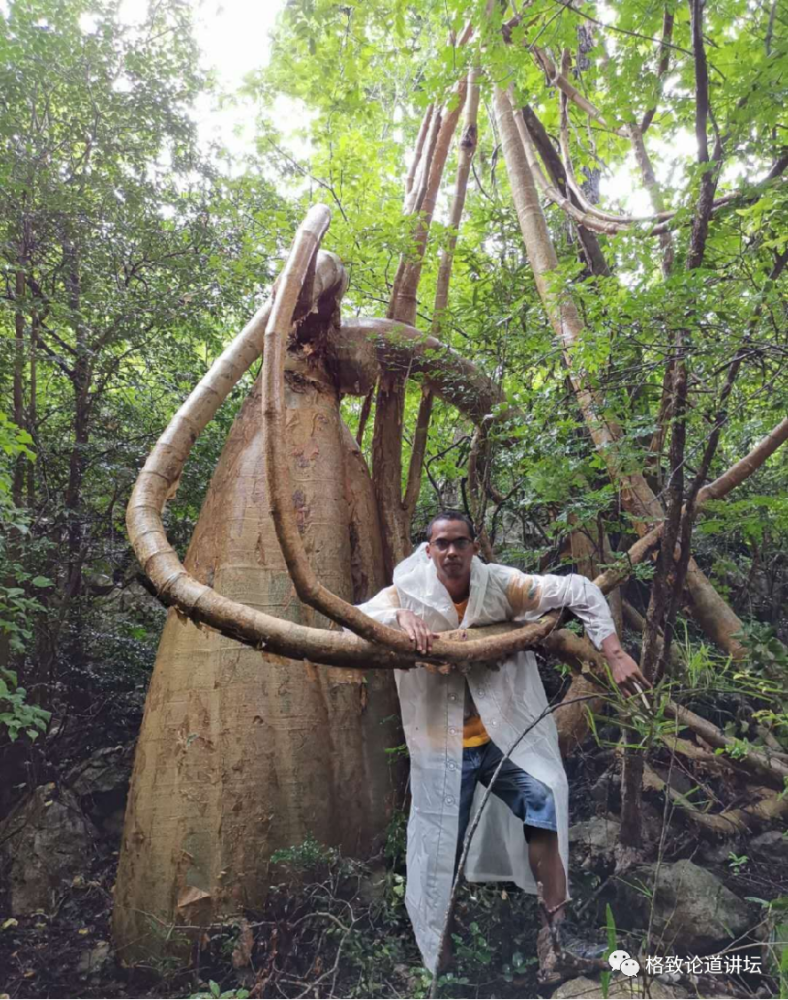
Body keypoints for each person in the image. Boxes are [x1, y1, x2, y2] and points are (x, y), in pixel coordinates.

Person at [356, 510, 649, 985]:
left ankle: (556, 934)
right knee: (439, 843)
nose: (452, 552)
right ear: (428, 551)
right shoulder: (407, 591)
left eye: (461, 542)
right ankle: (436, 956)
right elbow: (354, 621)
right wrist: (398, 617)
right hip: (443, 746)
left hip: (501, 739)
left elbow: (578, 590)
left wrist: (614, 653)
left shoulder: (499, 586)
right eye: (442, 543)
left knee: (545, 797)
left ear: (474, 548)